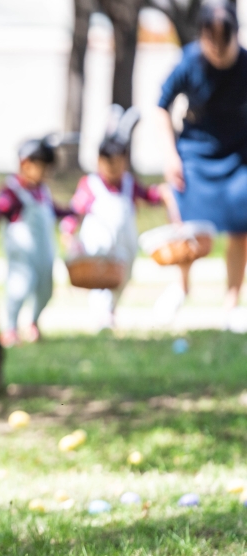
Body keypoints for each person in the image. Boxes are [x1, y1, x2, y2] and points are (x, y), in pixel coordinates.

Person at [156, 1, 247, 327]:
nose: (218, 53)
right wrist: (170, 154)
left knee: (241, 225)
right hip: (194, 153)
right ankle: (181, 286)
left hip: (238, 155)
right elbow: (161, 105)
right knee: (185, 221)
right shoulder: (190, 60)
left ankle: (232, 303)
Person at [62, 106, 179, 330]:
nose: (113, 169)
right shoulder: (91, 185)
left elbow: (148, 196)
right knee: (100, 279)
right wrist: (69, 234)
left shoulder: (128, 183)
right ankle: (102, 316)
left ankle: (111, 311)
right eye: (108, 163)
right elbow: (74, 211)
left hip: (125, 244)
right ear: (99, 161)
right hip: (99, 244)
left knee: (122, 278)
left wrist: (163, 193)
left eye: (118, 163)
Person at [0, 136, 72, 347]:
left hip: (44, 252)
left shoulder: (41, 191)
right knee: (18, 288)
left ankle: (33, 322)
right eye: (43, 167)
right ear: (25, 164)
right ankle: (9, 327)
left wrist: (72, 212)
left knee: (46, 290)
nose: (47, 173)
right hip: (21, 254)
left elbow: (52, 210)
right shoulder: (12, 192)